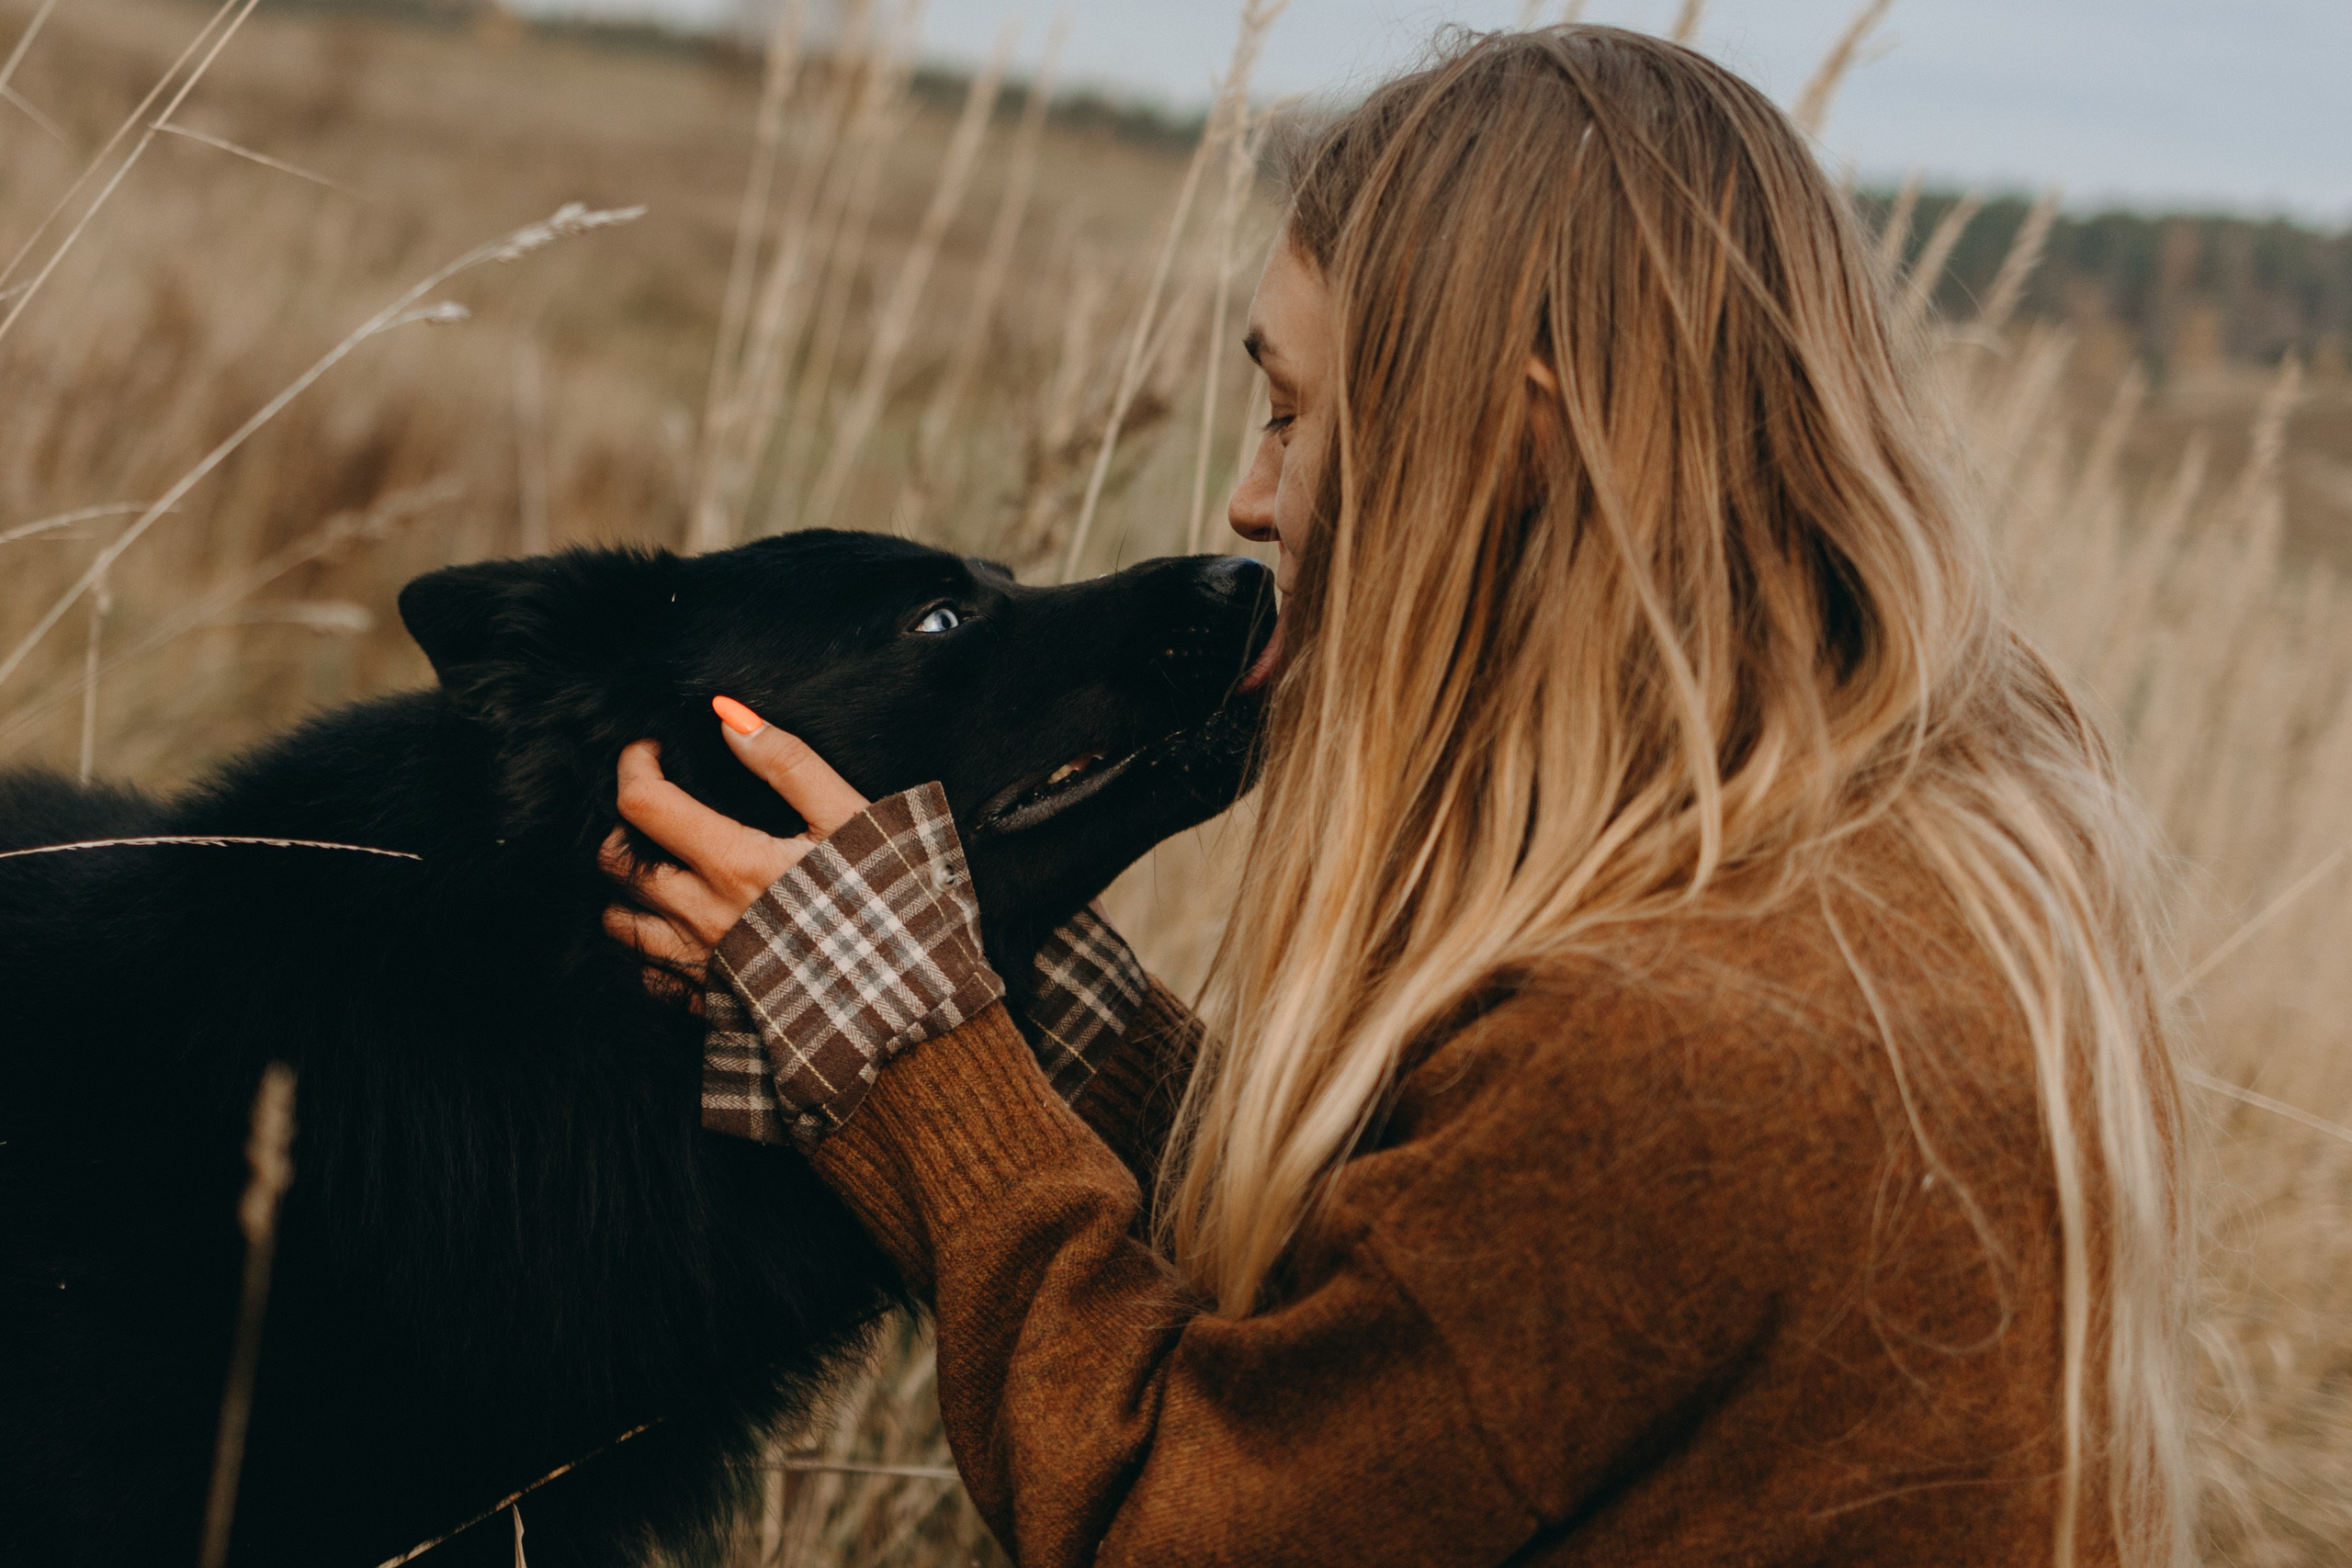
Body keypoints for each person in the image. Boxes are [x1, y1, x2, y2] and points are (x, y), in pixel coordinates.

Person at [602, 25, 2188, 1567]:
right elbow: (1442, 1323)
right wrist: (1024, 1000)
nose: (1249, 496)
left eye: (1292, 411)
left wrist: (906, 1058)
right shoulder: (1904, 836)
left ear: (1515, 437)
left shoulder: (1676, 1049)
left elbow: (1173, 1520)